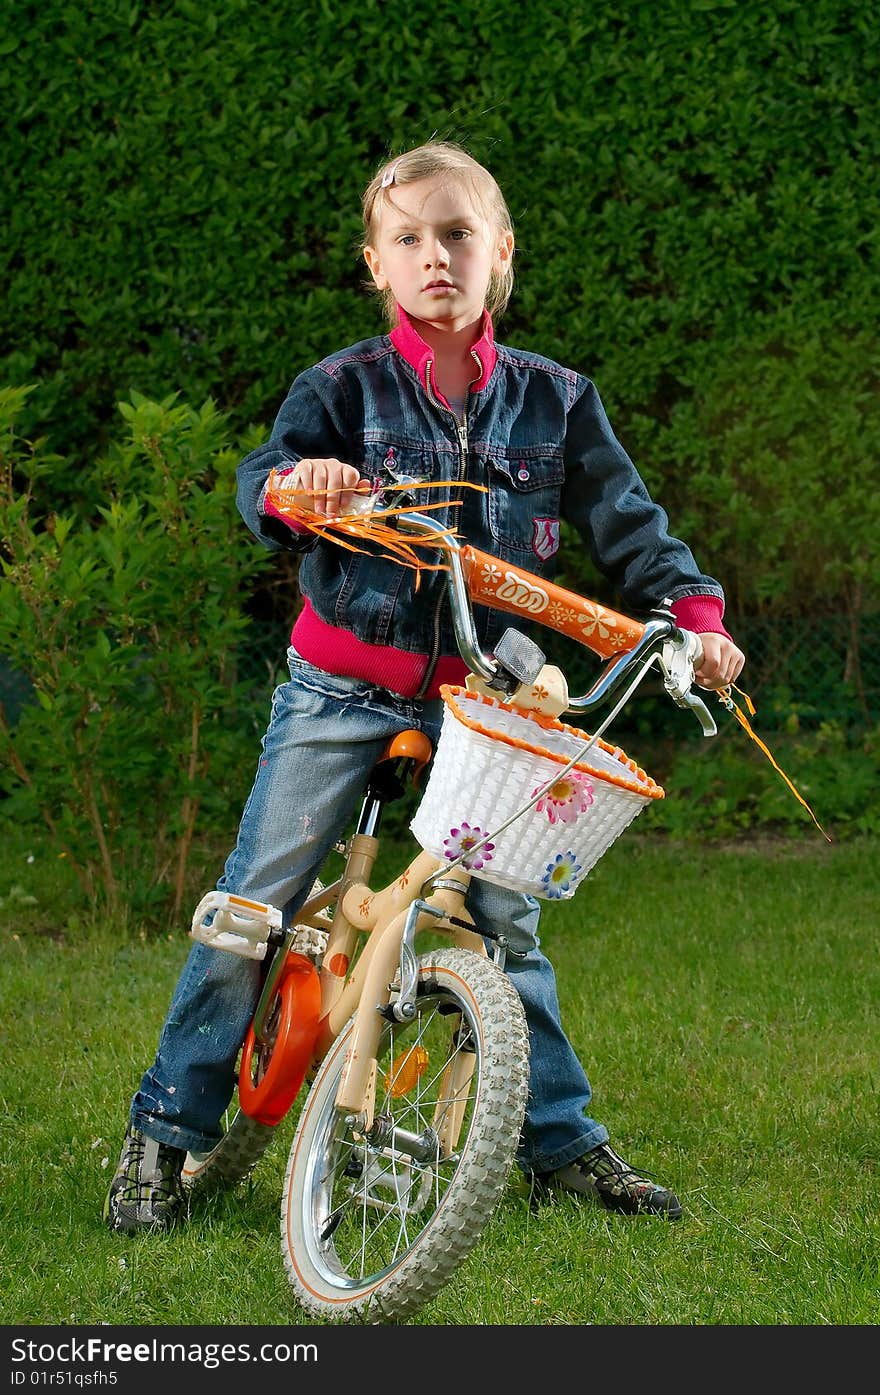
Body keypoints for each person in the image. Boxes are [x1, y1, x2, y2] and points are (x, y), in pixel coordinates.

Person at [104, 139, 744, 1234]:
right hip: (343, 684)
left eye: (458, 233)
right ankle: (164, 1138)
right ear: (376, 264)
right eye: (409, 238)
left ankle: (557, 1145)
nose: (434, 255)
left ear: (499, 255)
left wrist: (695, 623)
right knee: (248, 908)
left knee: (503, 922)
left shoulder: (558, 400)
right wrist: (299, 486)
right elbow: (268, 479)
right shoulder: (342, 387)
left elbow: (631, 527)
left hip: (487, 699)